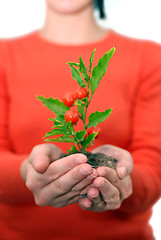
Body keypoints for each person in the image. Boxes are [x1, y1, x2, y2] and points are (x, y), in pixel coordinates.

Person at [0, 0, 161, 239]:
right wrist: (27, 172)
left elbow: (153, 168)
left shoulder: (149, 57)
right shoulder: (4, 56)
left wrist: (123, 178)